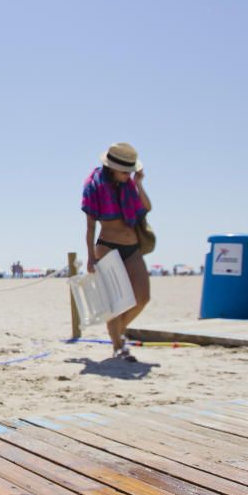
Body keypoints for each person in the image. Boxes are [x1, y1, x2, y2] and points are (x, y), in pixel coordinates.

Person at [82, 142, 152, 362]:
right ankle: (118, 346)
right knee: (116, 303)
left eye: (131, 171)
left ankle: (118, 330)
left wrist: (139, 183)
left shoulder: (130, 185)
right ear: (112, 168)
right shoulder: (94, 185)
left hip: (132, 247)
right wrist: (90, 257)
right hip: (107, 247)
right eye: (125, 171)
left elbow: (146, 208)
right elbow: (91, 226)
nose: (128, 175)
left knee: (142, 298)